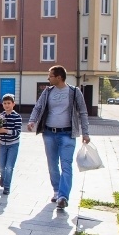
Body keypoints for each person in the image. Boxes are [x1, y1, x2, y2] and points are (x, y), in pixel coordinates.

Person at [26, 65, 91, 210]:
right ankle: (56, 191)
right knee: (52, 165)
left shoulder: (75, 92)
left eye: (50, 76)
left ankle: (63, 197)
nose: (48, 78)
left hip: (67, 134)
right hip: (49, 133)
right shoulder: (48, 91)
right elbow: (38, 107)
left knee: (66, 165)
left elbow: (83, 112)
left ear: (59, 77)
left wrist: (85, 132)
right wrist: (32, 120)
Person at [0, 93, 21, 195]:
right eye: (5, 103)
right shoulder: (0, 116)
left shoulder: (17, 117)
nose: (7, 105)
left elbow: (17, 132)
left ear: (13, 104)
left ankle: (7, 187)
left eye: (9, 103)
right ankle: (3, 177)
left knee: (9, 167)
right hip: (2, 145)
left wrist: (4, 130)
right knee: (1, 166)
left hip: (13, 144)